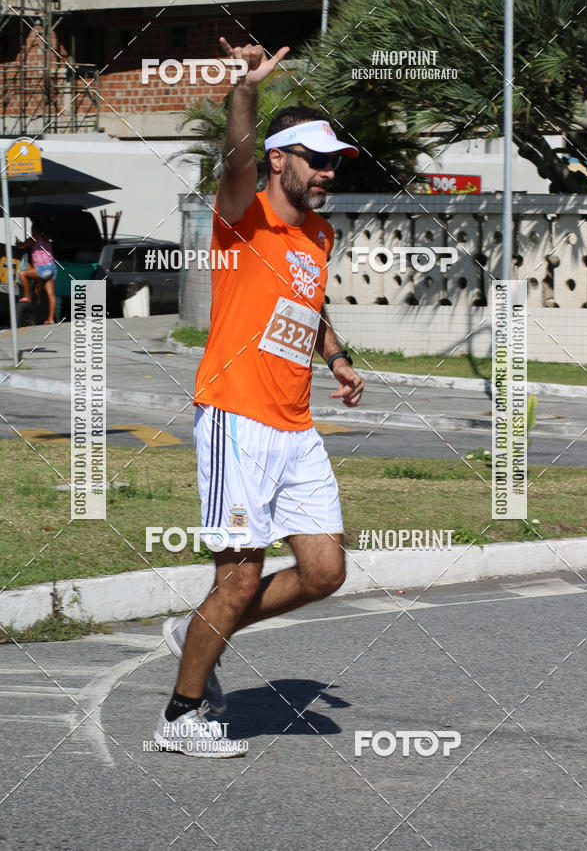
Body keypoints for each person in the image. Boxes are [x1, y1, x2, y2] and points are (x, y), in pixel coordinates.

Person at [153, 37, 365, 758]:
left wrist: (335, 357)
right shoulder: (242, 218)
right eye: (316, 158)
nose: (328, 172)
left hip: (295, 424)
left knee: (323, 571)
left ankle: (194, 634)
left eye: (335, 161)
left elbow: (307, 305)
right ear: (281, 158)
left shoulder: (318, 234)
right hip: (236, 416)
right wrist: (244, 91)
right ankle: (181, 715)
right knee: (238, 577)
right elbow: (237, 160)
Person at [17, 222, 57, 324]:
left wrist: (19, 243)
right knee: (51, 294)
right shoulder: (46, 238)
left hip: (42, 267)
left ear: (34, 230)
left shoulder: (35, 237)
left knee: (22, 274)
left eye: (32, 230)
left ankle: (27, 297)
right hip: (52, 267)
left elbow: (22, 246)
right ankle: (51, 319)